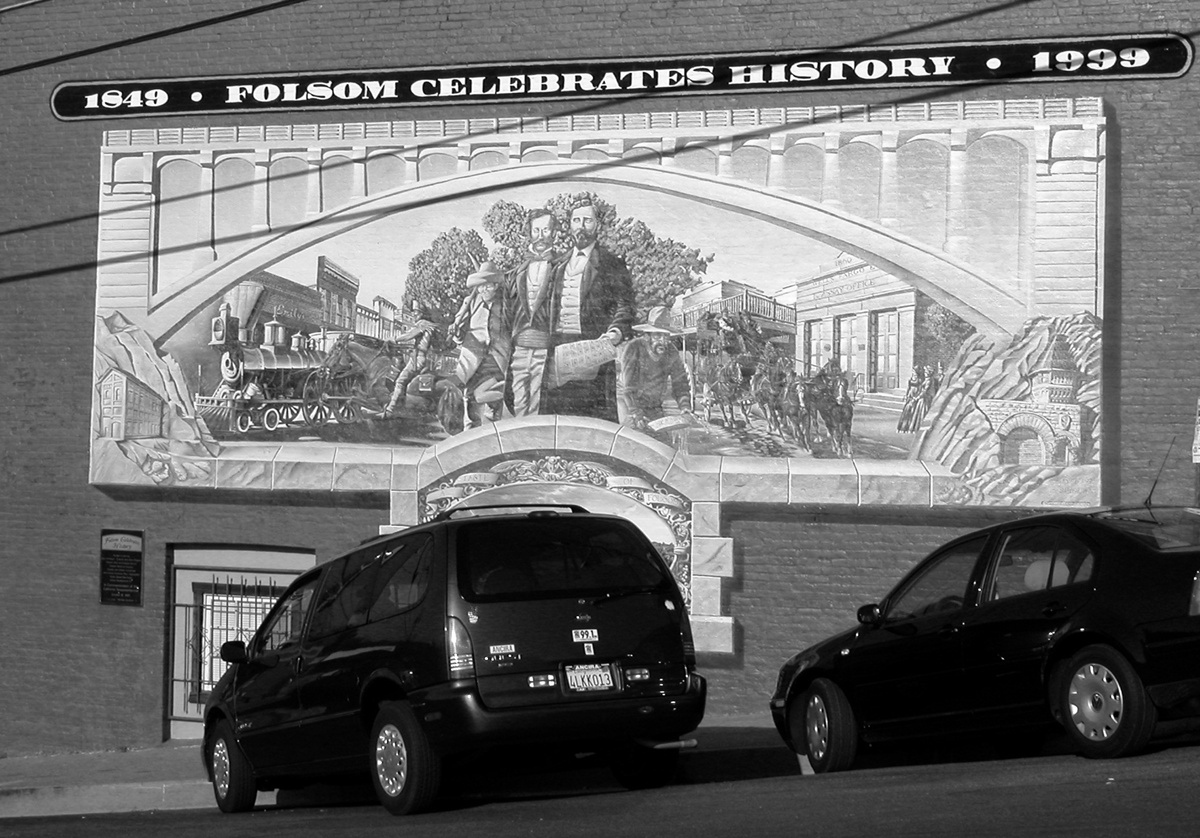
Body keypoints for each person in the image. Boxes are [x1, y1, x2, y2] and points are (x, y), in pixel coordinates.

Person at [543, 201, 635, 421]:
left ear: (598, 225)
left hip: (593, 350)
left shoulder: (611, 264)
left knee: (593, 424)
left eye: (587, 220)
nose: (580, 226)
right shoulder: (557, 265)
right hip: (558, 350)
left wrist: (616, 332)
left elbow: (625, 305)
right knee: (555, 421)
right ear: (569, 225)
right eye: (576, 220)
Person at [507, 209, 560, 417]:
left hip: (545, 346)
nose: (540, 235)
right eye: (536, 230)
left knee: (538, 402)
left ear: (553, 233)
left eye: (545, 230)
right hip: (519, 345)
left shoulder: (560, 268)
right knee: (519, 399)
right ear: (529, 233)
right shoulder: (517, 272)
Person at [448, 260, 512, 428]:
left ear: (496, 286)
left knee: (492, 398)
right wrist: (455, 332)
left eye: (489, 286)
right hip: (473, 357)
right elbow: (459, 336)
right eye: (482, 286)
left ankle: (492, 430)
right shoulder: (470, 302)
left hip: (497, 357)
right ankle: (470, 431)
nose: (485, 289)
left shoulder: (505, 303)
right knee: (469, 397)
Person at [616, 306, 692, 430]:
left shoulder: (671, 352)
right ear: (648, 336)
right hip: (628, 404)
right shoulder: (634, 348)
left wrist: (685, 407)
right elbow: (628, 388)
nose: (662, 341)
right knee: (636, 438)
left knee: (663, 444)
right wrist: (636, 413)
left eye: (666, 336)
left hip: (654, 407)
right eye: (657, 336)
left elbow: (680, 384)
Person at [380, 299, 438, 418]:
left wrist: (393, 339)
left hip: (418, 358)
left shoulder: (422, 324)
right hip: (421, 357)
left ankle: (391, 409)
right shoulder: (427, 325)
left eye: (416, 312)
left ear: (421, 313)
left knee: (400, 381)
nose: (413, 314)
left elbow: (408, 336)